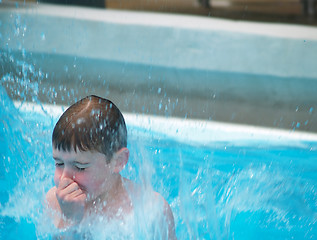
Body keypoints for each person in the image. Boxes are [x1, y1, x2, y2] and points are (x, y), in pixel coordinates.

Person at [46, 95, 176, 239]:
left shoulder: (151, 210)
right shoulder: (56, 203)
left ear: (118, 161)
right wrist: (69, 220)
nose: (64, 178)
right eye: (59, 163)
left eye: (80, 167)